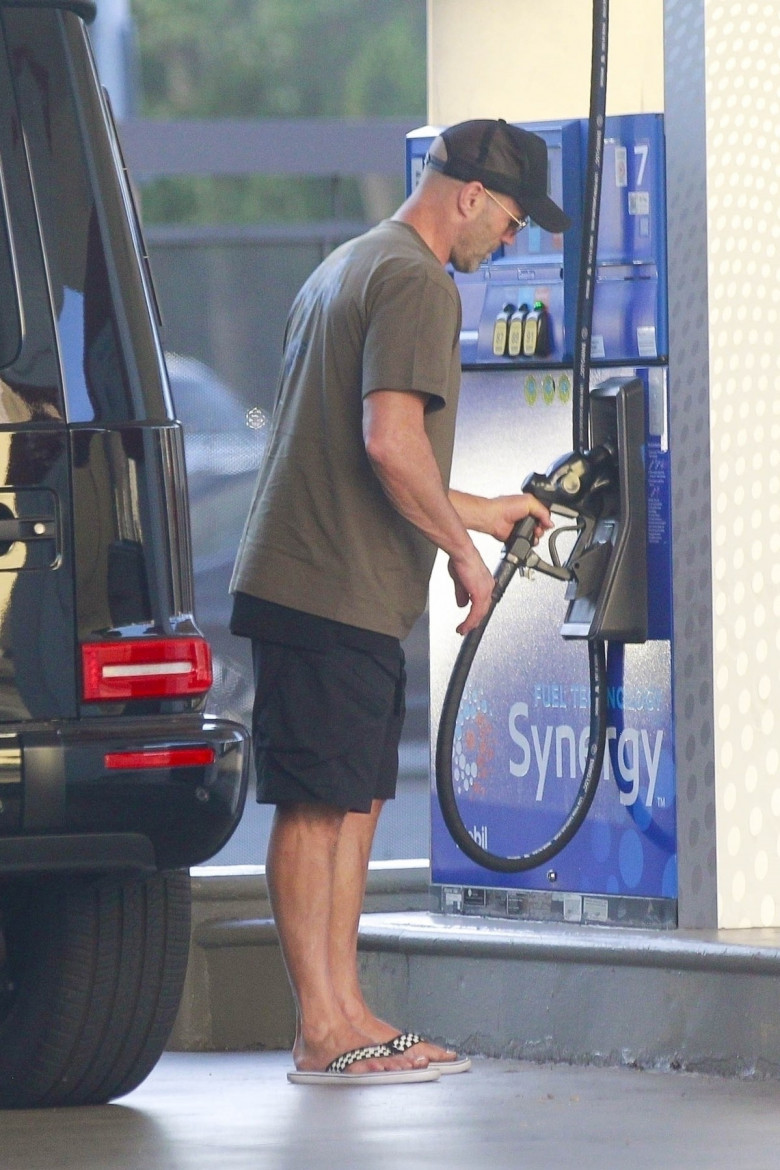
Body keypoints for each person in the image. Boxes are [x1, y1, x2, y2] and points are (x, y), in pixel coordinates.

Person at [230, 118, 570, 1084]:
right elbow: (389, 444)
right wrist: (465, 555)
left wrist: (484, 509)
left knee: (353, 799)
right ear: (469, 194)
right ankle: (322, 1029)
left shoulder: (351, 264)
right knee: (319, 805)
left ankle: (345, 1017)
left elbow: (374, 454)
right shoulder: (419, 280)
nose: (510, 242)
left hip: (334, 582)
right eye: (509, 221)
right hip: (325, 582)